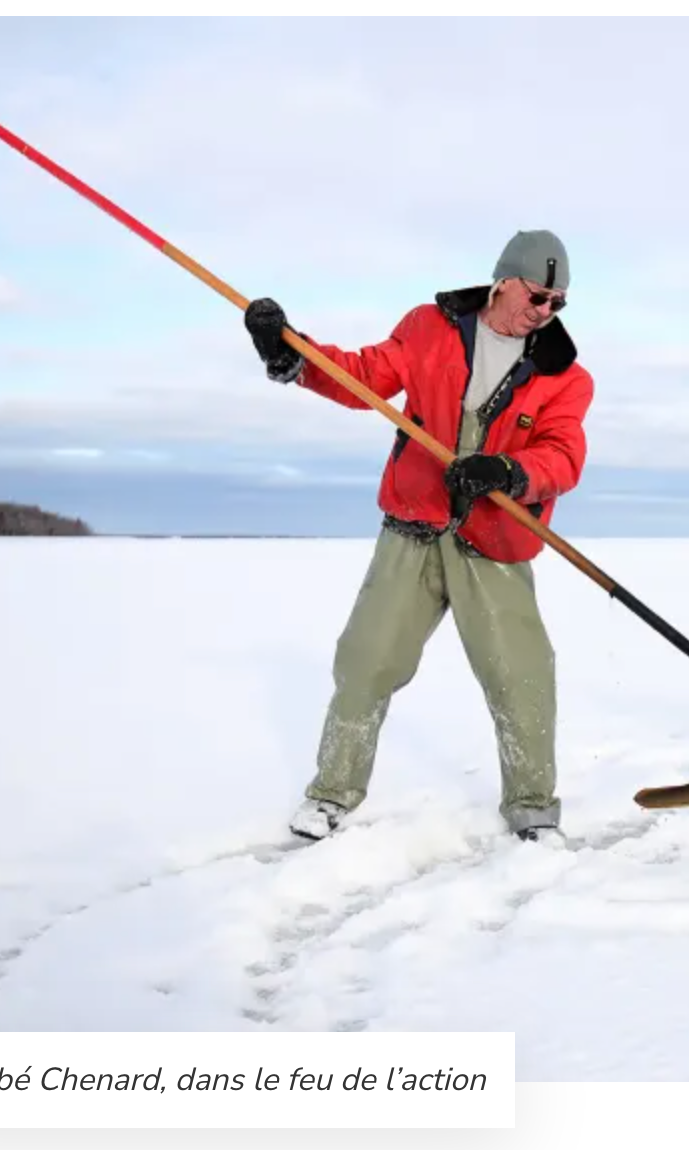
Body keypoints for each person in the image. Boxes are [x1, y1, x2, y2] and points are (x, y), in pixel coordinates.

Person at [241, 229, 593, 843]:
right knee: (367, 660)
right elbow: (364, 377)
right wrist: (293, 354)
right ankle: (331, 795)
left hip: (495, 539)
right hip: (414, 526)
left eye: (558, 303)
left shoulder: (564, 375)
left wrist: (510, 472)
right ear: (503, 280)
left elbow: (562, 455)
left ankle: (533, 808)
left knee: (522, 675)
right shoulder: (432, 326)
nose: (546, 312)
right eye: (538, 297)